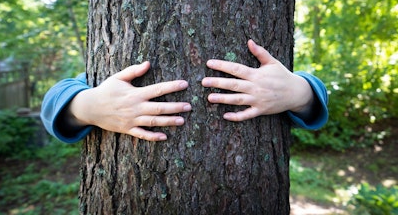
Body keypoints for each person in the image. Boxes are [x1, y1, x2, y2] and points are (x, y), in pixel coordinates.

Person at [41, 39, 328, 143]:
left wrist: (298, 92)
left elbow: (315, 98)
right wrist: (89, 106)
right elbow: (56, 99)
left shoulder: (268, 80)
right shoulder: (103, 80)